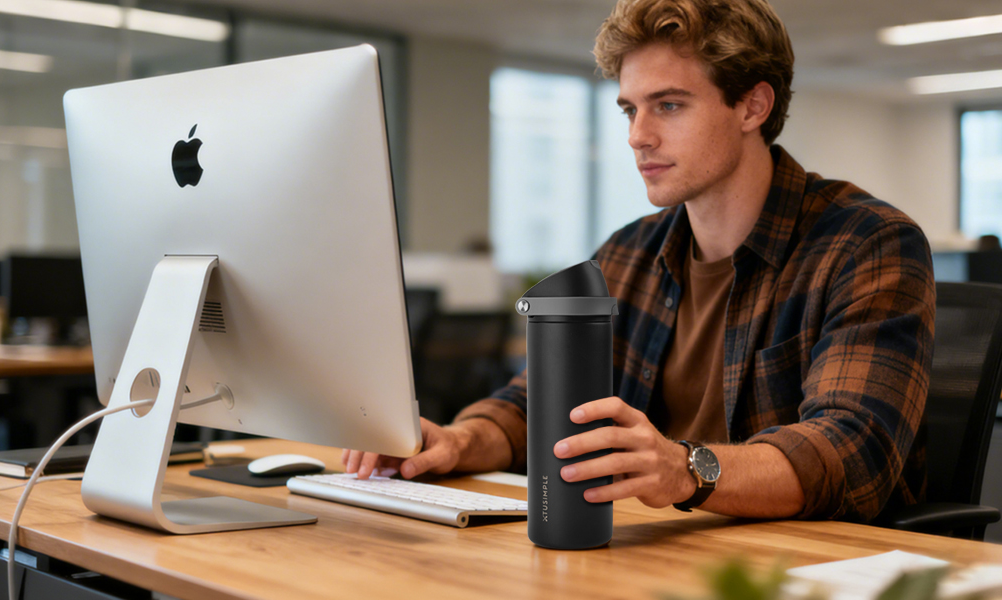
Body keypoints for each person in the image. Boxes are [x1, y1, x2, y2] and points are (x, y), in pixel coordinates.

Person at [346, 0, 933, 522]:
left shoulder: (867, 244)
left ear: (753, 105)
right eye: (630, 110)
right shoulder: (627, 255)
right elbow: (534, 405)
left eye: (669, 105)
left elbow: (851, 451)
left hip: (799, 571)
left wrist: (685, 469)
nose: (638, 136)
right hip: (659, 552)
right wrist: (457, 440)